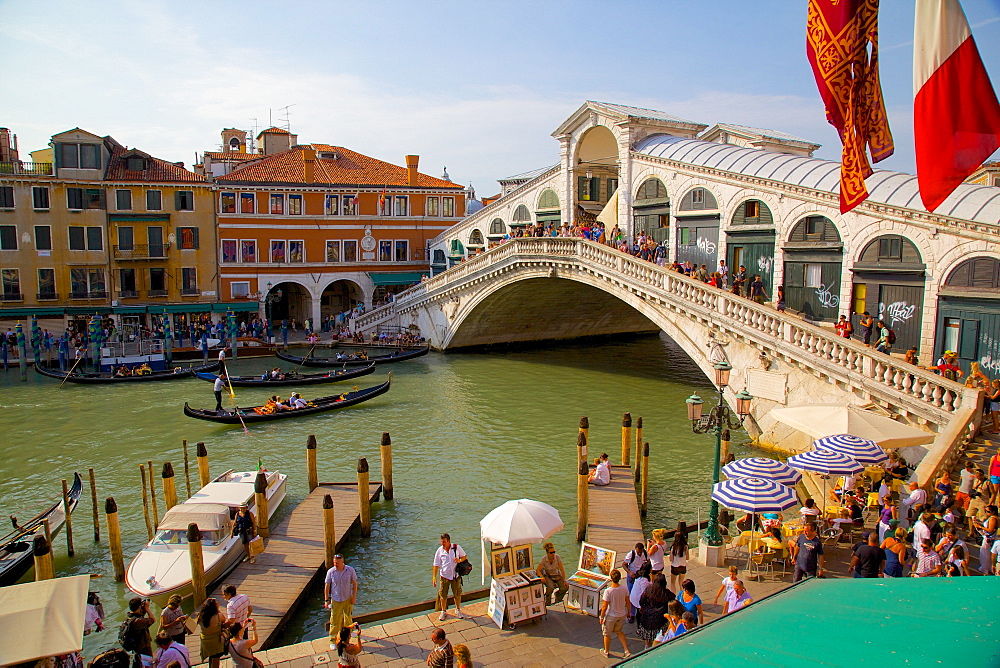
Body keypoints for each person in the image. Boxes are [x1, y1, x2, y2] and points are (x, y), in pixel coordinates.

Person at [432, 533, 468, 621]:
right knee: (443, 595)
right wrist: (434, 578)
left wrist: (459, 560)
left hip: (455, 576)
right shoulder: (439, 551)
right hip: (444, 576)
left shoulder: (456, 548)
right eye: (441, 542)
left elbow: (464, 557)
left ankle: (458, 609)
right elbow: (436, 565)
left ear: (449, 541)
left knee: (457, 593)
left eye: (444, 542)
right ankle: (443, 611)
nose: (442, 544)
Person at [324, 554, 358, 646]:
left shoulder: (350, 570)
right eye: (334, 562)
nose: (336, 564)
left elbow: (354, 584)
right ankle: (333, 639)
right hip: (336, 599)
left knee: (348, 619)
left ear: (342, 562)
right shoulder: (331, 572)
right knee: (334, 620)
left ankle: (348, 637)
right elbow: (327, 586)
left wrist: (354, 597)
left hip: (347, 598)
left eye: (337, 563)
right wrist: (326, 600)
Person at [598, 569, 630, 659]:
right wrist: (629, 612)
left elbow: (604, 606)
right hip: (621, 614)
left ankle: (606, 651)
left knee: (607, 634)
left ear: (611, 578)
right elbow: (628, 602)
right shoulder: (624, 588)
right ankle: (626, 650)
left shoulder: (608, 591)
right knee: (619, 632)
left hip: (611, 616)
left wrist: (601, 617)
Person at [635, 573, 674, 648]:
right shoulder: (666, 593)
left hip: (647, 618)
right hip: (660, 620)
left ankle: (647, 646)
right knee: (657, 639)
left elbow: (641, 601)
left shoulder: (648, 590)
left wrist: (644, 609)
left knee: (647, 638)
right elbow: (673, 597)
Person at [535, 542, 568, 606]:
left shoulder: (557, 558)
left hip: (556, 575)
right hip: (548, 576)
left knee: (565, 587)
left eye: (554, 552)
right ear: (547, 553)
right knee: (550, 587)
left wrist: (564, 580)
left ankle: (558, 596)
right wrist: (542, 577)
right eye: (551, 553)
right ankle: (548, 602)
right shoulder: (544, 559)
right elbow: (538, 570)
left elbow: (562, 570)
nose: (553, 554)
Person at [197, 598, 226, 668]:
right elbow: (224, 619)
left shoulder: (200, 616)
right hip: (215, 641)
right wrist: (217, 609)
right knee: (216, 661)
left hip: (205, 640)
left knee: (211, 657)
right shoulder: (218, 616)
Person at [973, 505, 999, 574]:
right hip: (989, 538)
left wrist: (980, 527)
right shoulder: (992, 518)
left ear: (993, 512)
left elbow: (990, 529)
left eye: (988, 511)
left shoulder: (993, 519)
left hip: (989, 538)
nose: (987, 513)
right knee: (985, 554)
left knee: (985, 555)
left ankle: (986, 569)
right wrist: (980, 524)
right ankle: (987, 568)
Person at [668, 522, 689, 592]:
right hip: (683, 566)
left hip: (675, 566)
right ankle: (682, 597)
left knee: (672, 583)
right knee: (681, 583)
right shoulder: (685, 546)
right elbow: (687, 558)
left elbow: (671, 559)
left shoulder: (674, 547)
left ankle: (674, 597)